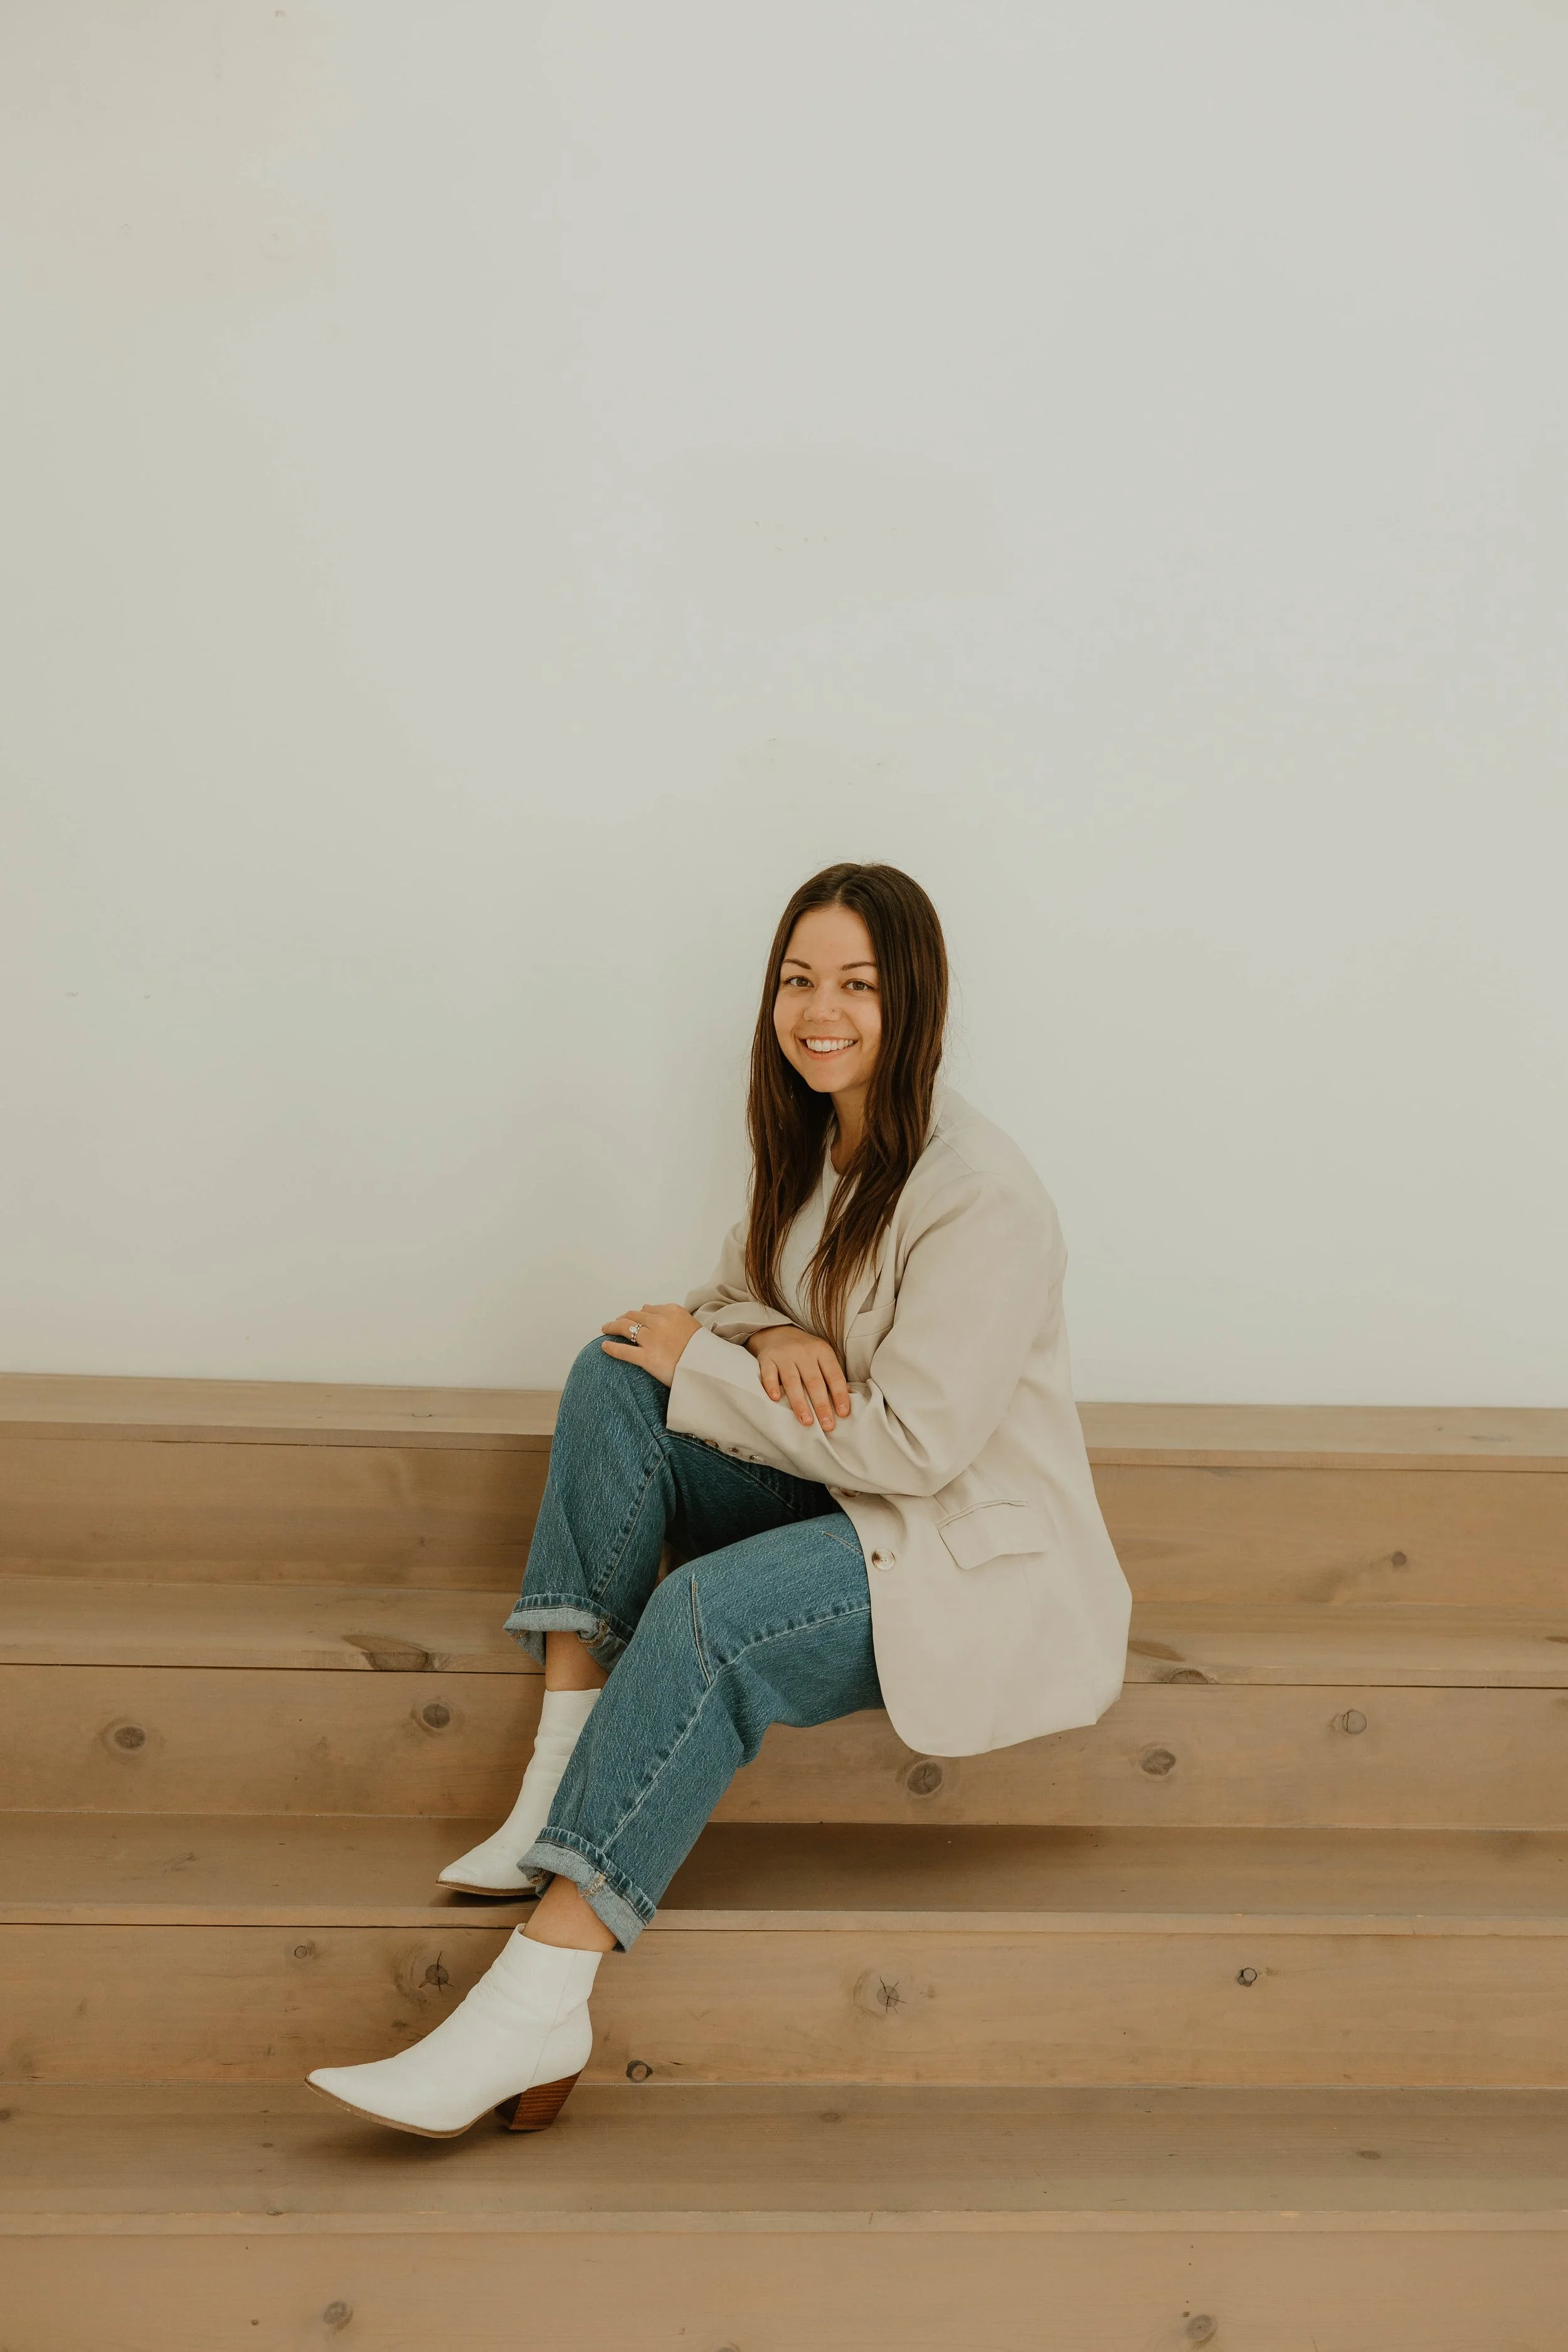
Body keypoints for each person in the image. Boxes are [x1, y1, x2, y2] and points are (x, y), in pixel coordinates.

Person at [306, 861, 1131, 2137]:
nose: (819, 1010)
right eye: (797, 980)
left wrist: (717, 1354)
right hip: (847, 1494)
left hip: (958, 1551)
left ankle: (536, 2001)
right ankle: (558, 1772)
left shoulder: (981, 1195)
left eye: (855, 984)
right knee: (611, 1373)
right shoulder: (814, 1134)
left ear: (912, 1001)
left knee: (703, 1617)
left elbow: (913, 1448)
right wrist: (757, 1334)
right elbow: (726, 1292)